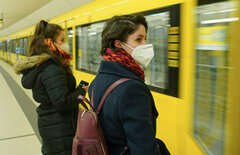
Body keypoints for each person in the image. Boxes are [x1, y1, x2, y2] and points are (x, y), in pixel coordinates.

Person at [88, 15, 170, 155]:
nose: (145, 44)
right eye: (139, 39)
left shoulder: (97, 81)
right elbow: (143, 149)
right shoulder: (132, 89)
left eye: (145, 38)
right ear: (118, 44)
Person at [13, 20, 86, 155]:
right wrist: (82, 91)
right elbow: (61, 102)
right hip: (60, 127)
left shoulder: (43, 65)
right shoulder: (52, 68)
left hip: (50, 123)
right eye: (62, 40)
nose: (66, 44)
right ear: (49, 42)